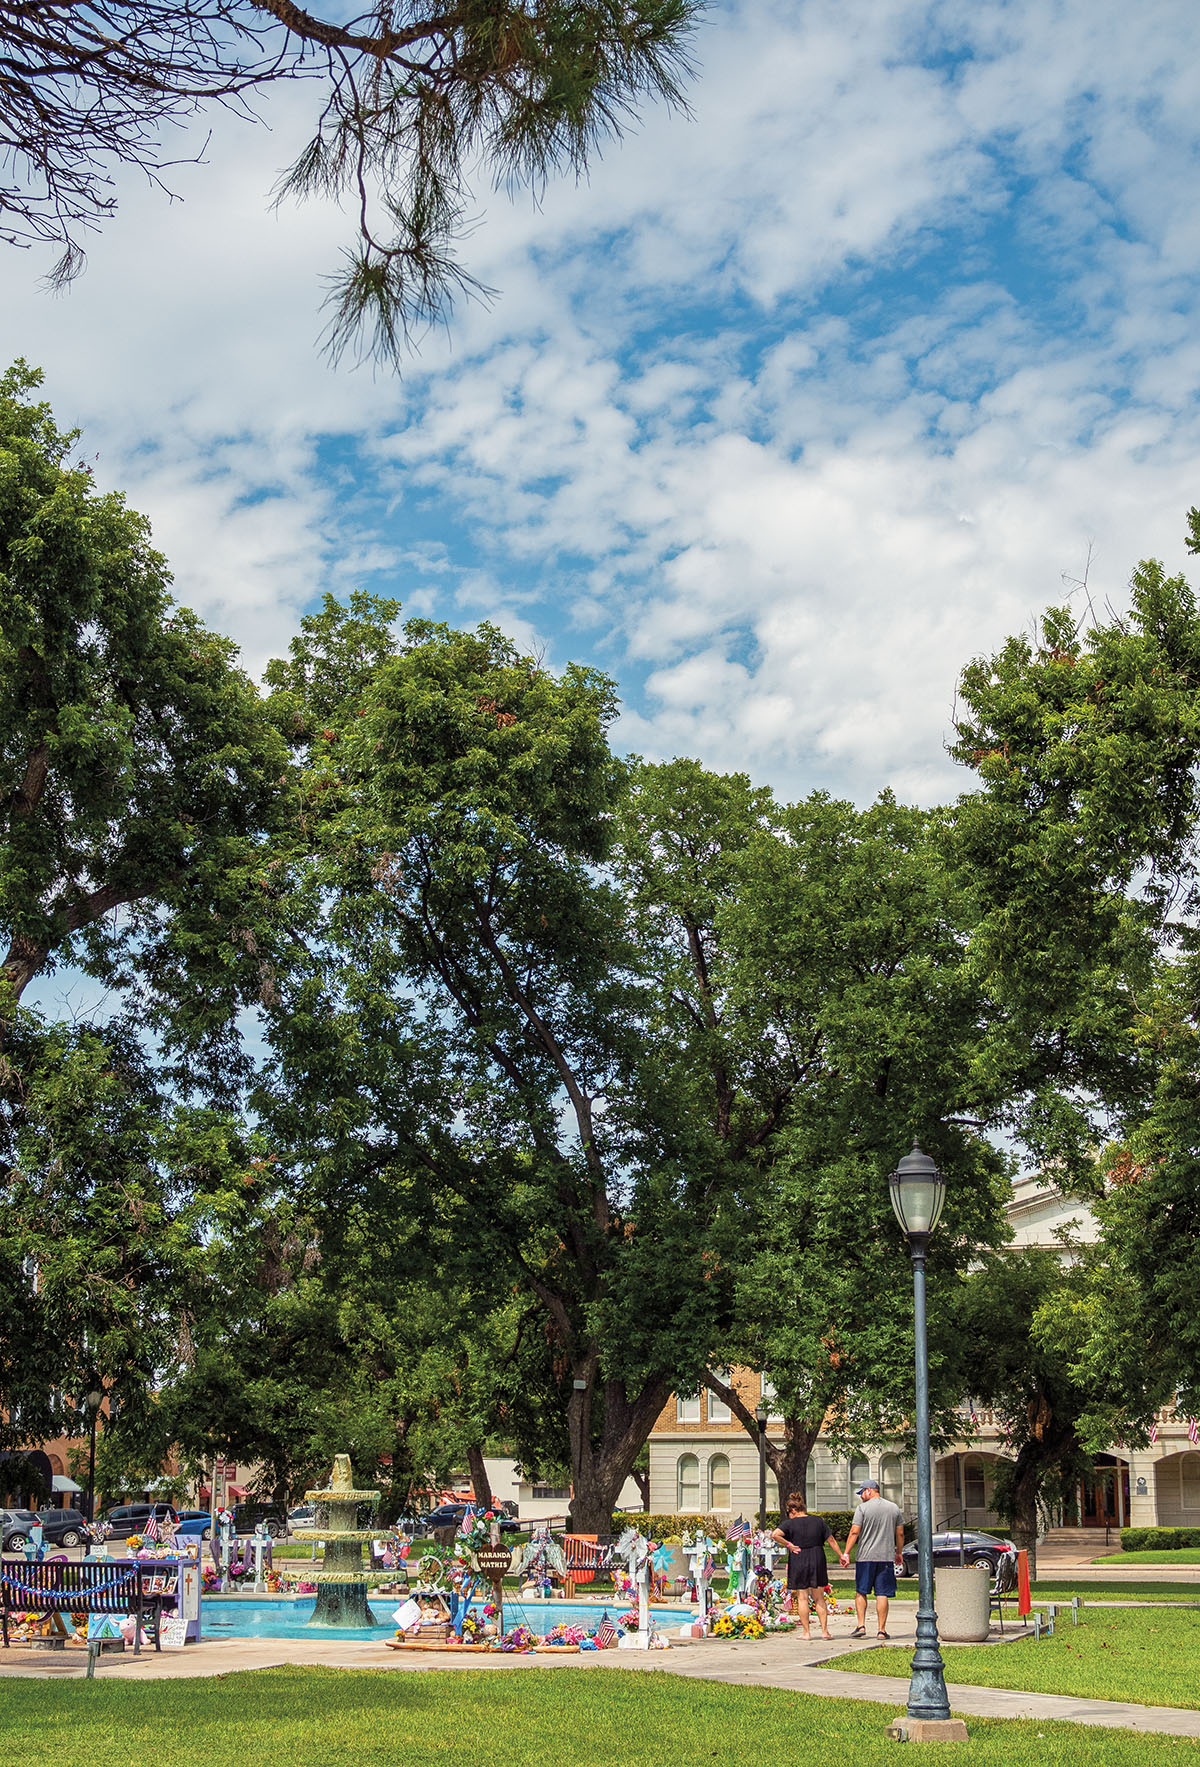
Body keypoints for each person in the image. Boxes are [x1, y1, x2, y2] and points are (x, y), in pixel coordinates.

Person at [772, 1492, 848, 1640]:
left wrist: (789, 1545)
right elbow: (831, 1540)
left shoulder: (790, 1523)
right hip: (817, 1557)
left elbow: (775, 1534)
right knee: (819, 1597)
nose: (789, 1515)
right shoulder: (818, 1521)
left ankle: (806, 1632)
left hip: (799, 1557)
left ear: (793, 1510)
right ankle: (825, 1632)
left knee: (802, 1598)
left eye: (789, 1513)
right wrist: (841, 1555)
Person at [844, 1479, 904, 1639]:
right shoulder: (894, 1508)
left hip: (865, 1557)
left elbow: (854, 1532)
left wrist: (846, 1552)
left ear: (869, 1490)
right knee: (882, 1593)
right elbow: (900, 1533)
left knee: (861, 1592)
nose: (860, 1496)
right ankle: (881, 1630)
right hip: (886, 1557)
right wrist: (899, 1552)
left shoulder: (862, 1509)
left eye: (861, 1492)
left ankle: (861, 1626)